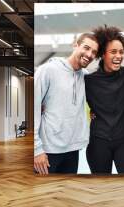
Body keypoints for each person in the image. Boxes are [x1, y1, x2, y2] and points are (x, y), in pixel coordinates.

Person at [34, 33, 99, 175]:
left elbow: (101, 97)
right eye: (86, 48)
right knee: (44, 195)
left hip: (72, 150)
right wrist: (36, 149)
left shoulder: (85, 76)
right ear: (75, 44)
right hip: (48, 150)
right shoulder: (47, 70)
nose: (89, 54)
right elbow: (32, 109)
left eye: (94, 52)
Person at [84, 26, 124, 174]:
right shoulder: (88, 81)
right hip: (98, 141)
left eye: (121, 52)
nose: (119, 56)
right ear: (103, 54)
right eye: (113, 52)